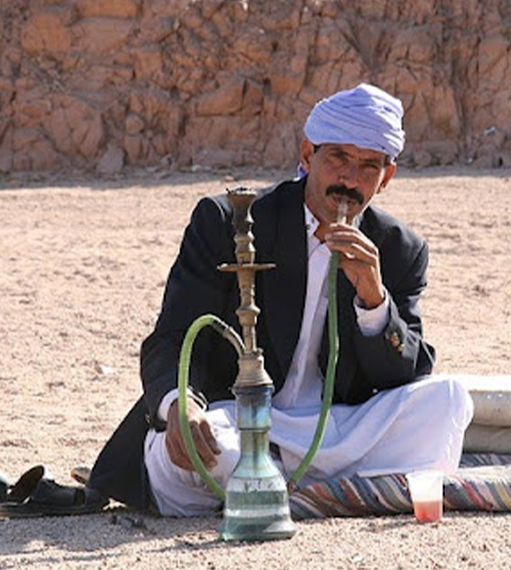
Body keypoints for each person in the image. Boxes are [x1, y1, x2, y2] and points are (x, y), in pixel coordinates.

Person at [88, 83, 473, 516]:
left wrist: (373, 300)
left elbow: (408, 374)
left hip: (332, 432)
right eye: (338, 158)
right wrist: (180, 406)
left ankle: (279, 486)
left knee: (450, 400)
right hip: (232, 419)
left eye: (368, 166)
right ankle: (316, 487)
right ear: (307, 155)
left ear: (386, 178)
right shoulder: (229, 222)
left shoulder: (398, 248)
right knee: (210, 450)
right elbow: (174, 334)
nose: (349, 179)